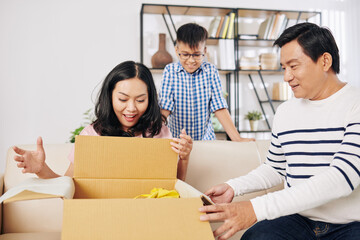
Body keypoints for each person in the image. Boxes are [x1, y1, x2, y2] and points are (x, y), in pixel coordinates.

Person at [199, 22, 360, 240]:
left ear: (325, 61)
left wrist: (255, 209)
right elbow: (275, 167)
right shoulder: (285, 111)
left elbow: (342, 178)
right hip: (299, 220)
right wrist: (233, 187)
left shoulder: (355, 104)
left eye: (294, 66)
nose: (286, 77)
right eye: (284, 68)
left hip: (350, 225)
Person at [13, 61, 193, 181]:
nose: (131, 108)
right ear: (110, 97)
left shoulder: (159, 133)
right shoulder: (92, 135)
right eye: (123, 99)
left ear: (150, 99)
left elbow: (173, 188)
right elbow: (69, 186)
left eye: (140, 100)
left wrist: (184, 158)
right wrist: (40, 168)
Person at [159, 23, 253, 142]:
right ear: (177, 50)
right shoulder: (170, 71)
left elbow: (219, 106)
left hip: (205, 140)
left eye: (197, 55)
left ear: (204, 50)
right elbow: (165, 107)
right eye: (185, 54)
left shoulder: (211, 71)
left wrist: (237, 138)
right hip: (177, 141)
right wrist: (154, 135)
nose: (191, 60)